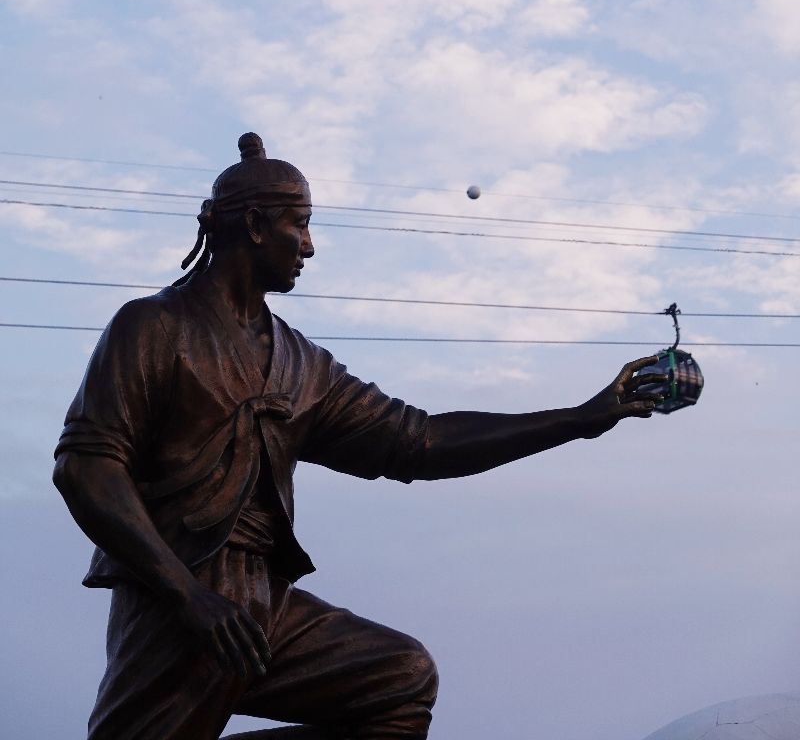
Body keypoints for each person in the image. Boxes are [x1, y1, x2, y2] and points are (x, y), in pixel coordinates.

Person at [53, 133, 665, 740]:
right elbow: (86, 468)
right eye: (302, 224)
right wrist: (186, 593)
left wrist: (577, 420)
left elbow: (419, 441)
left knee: (398, 679)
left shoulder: (302, 366)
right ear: (258, 226)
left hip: (265, 605)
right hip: (175, 600)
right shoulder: (154, 327)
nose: (311, 248)